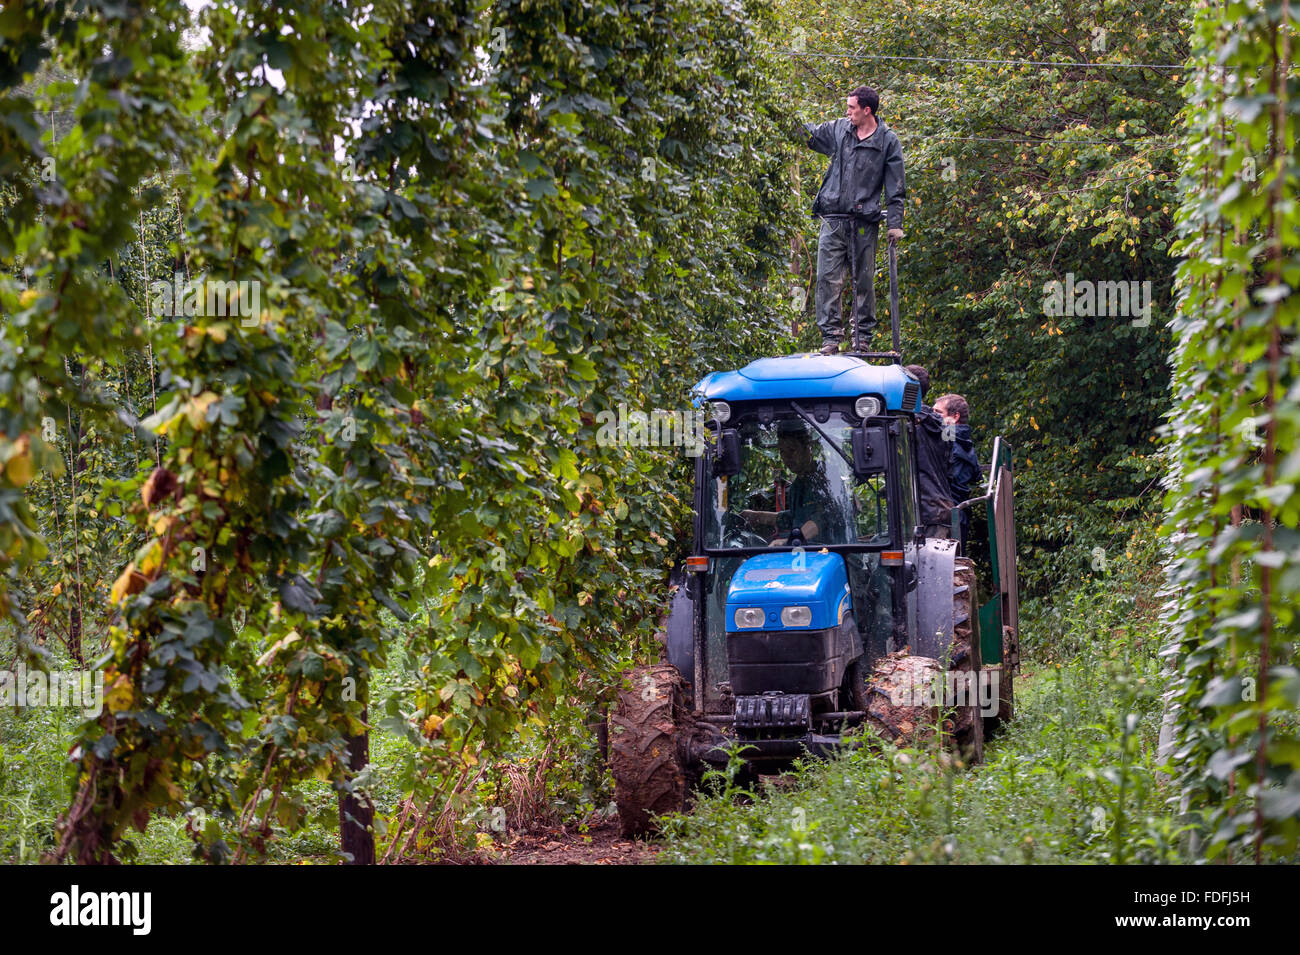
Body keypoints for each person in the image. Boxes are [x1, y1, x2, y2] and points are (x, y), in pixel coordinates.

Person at [801, 86, 907, 355]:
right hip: (833, 218)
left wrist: (895, 224)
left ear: (866, 110)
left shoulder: (887, 141)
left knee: (863, 280)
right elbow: (811, 134)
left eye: (851, 108)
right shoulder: (840, 129)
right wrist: (781, 117)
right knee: (827, 279)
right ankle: (831, 338)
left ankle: (862, 339)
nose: (847, 112)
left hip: (863, 223)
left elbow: (896, 187)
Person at [741, 421, 841, 544]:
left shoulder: (827, 476)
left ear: (807, 448)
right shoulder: (797, 486)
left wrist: (787, 542)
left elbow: (822, 518)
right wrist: (756, 516)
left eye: (792, 450)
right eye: (782, 452)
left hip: (836, 554)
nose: (786, 457)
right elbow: (795, 518)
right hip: (806, 555)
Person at [905, 365, 956, 538]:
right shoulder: (948, 425)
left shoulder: (907, 423)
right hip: (942, 508)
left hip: (925, 512)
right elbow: (951, 466)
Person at [934, 393, 981, 554]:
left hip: (947, 515)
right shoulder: (963, 440)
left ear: (955, 417)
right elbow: (976, 475)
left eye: (938, 413)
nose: (932, 417)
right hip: (959, 513)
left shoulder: (950, 438)